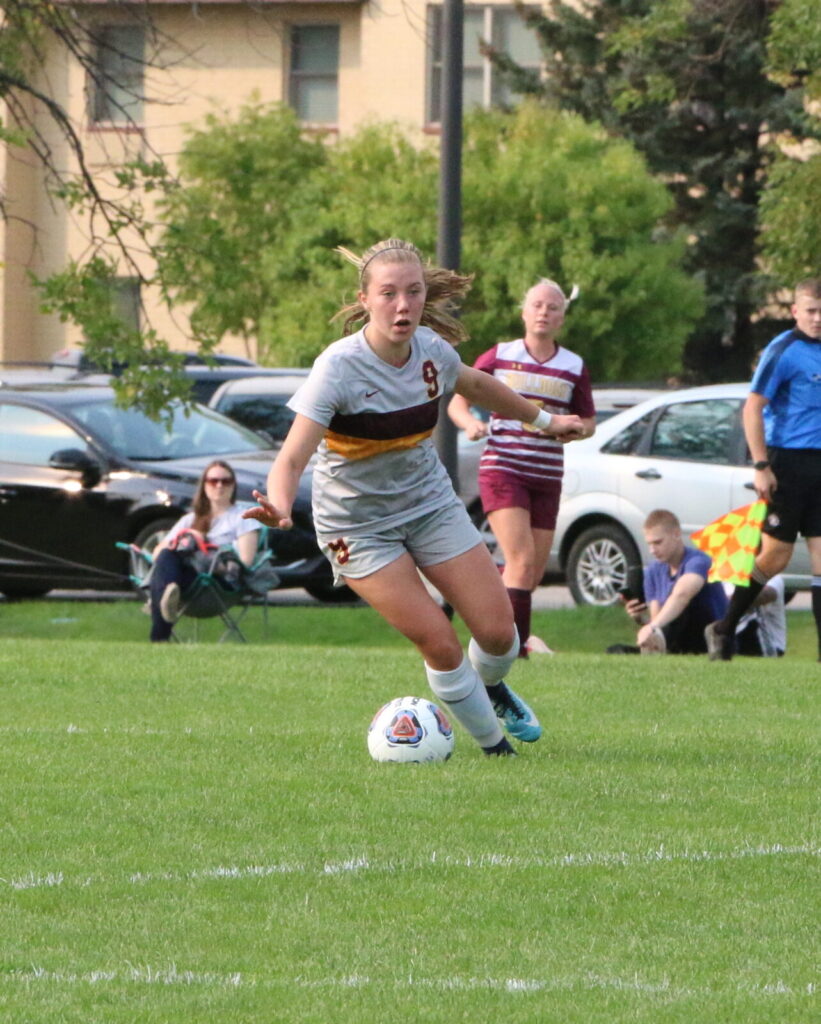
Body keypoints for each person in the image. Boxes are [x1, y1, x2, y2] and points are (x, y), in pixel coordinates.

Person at [243, 238, 584, 756]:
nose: (403, 305)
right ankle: (496, 749)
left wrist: (546, 421)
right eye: (388, 294)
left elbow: (478, 385)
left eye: (414, 292)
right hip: (358, 528)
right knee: (440, 642)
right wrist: (281, 506)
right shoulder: (338, 367)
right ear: (365, 300)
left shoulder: (431, 351)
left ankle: (490, 688)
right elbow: (290, 460)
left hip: (429, 505)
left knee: (500, 635)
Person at [447, 279, 596, 657]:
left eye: (553, 307)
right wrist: (470, 424)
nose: (544, 312)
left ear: (562, 318)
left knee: (531, 573)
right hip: (504, 468)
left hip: (547, 475)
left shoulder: (573, 365)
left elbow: (589, 421)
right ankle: (515, 650)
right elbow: (458, 401)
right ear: (524, 313)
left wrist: (575, 429)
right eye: (537, 305)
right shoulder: (501, 355)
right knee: (521, 560)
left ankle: (467, 594)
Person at [705, 278, 821, 662]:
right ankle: (724, 628)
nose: (818, 319)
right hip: (787, 461)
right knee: (775, 557)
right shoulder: (783, 350)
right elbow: (753, 407)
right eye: (811, 311)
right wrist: (761, 465)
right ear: (795, 311)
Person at [148, 460, 260, 642]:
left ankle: (159, 638)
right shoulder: (190, 519)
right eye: (213, 481)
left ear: (233, 485)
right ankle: (169, 592)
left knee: (161, 578)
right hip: (189, 581)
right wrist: (189, 537)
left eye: (226, 481)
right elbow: (158, 553)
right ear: (204, 486)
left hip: (218, 582)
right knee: (167, 556)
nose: (219, 485)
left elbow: (245, 561)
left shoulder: (243, 518)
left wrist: (208, 549)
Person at [614, 509, 728, 655]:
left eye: (658, 542)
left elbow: (682, 595)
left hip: (709, 638)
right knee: (615, 650)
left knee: (681, 606)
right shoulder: (653, 570)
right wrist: (642, 619)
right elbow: (657, 618)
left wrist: (652, 627)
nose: (652, 550)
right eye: (649, 544)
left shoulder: (699, 561)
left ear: (676, 534)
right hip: (676, 639)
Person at [730, 574, 787, 658]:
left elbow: (766, 595)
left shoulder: (772, 577)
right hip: (737, 638)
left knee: (751, 620)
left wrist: (729, 600)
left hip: (770, 646)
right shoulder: (727, 575)